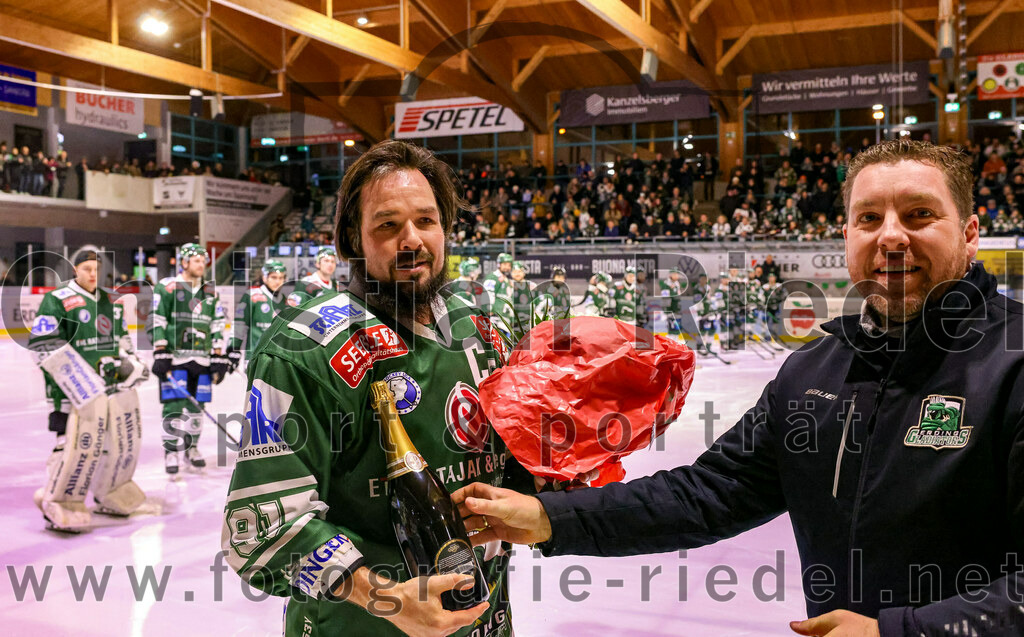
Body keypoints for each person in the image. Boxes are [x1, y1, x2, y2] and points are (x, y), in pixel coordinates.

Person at [455, 140, 1024, 636]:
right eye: (870, 218)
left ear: (971, 234)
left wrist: (902, 632)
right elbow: (707, 494)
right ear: (846, 234)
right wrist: (552, 517)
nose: (891, 236)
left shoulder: (1014, 364)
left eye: (919, 214)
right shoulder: (812, 375)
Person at [221, 140, 531, 637]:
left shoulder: (483, 330)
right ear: (353, 237)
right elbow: (260, 531)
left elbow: (517, 469)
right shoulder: (305, 350)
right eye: (388, 225)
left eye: (426, 221)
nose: (412, 240)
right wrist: (383, 598)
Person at [27, 249, 149, 532]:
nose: (92, 274)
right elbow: (42, 344)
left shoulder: (111, 301)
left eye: (96, 268)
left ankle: (110, 492)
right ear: (74, 270)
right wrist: (78, 378)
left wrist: (130, 365)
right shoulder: (56, 300)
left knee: (113, 445)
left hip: (108, 391)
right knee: (69, 446)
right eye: (86, 269)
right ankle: (57, 499)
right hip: (68, 392)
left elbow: (121, 340)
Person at [148, 243, 229, 475]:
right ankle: (171, 450)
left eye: (203, 261)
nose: (201, 265)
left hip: (202, 359)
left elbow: (217, 323)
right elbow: (157, 318)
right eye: (196, 261)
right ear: (184, 263)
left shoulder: (210, 291)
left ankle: (191, 447)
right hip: (175, 358)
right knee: (173, 407)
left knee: (198, 407)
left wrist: (217, 355)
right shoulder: (167, 287)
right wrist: (161, 349)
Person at [229, 259, 289, 369]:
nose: (278, 282)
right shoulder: (252, 295)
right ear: (265, 278)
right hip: (255, 356)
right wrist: (233, 348)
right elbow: (240, 323)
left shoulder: (285, 302)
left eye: (281, 278)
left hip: (279, 358)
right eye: (274, 277)